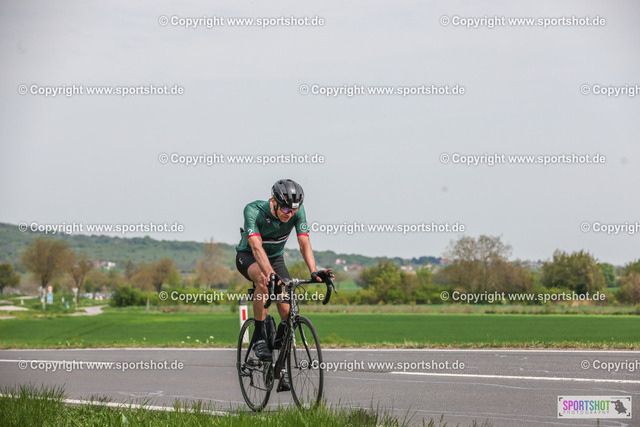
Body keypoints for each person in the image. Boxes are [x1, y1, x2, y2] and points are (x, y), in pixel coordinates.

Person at [235, 179, 323, 391]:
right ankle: (258, 336)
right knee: (264, 282)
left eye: (293, 210)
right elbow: (256, 247)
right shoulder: (254, 210)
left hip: (276, 258)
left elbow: (304, 242)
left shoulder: (296, 211)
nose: (289, 214)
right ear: (273, 201)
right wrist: (270, 274)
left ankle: (281, 369)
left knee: (287, 311)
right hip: (249, 256)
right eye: (285, 209)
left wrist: (314, 271)